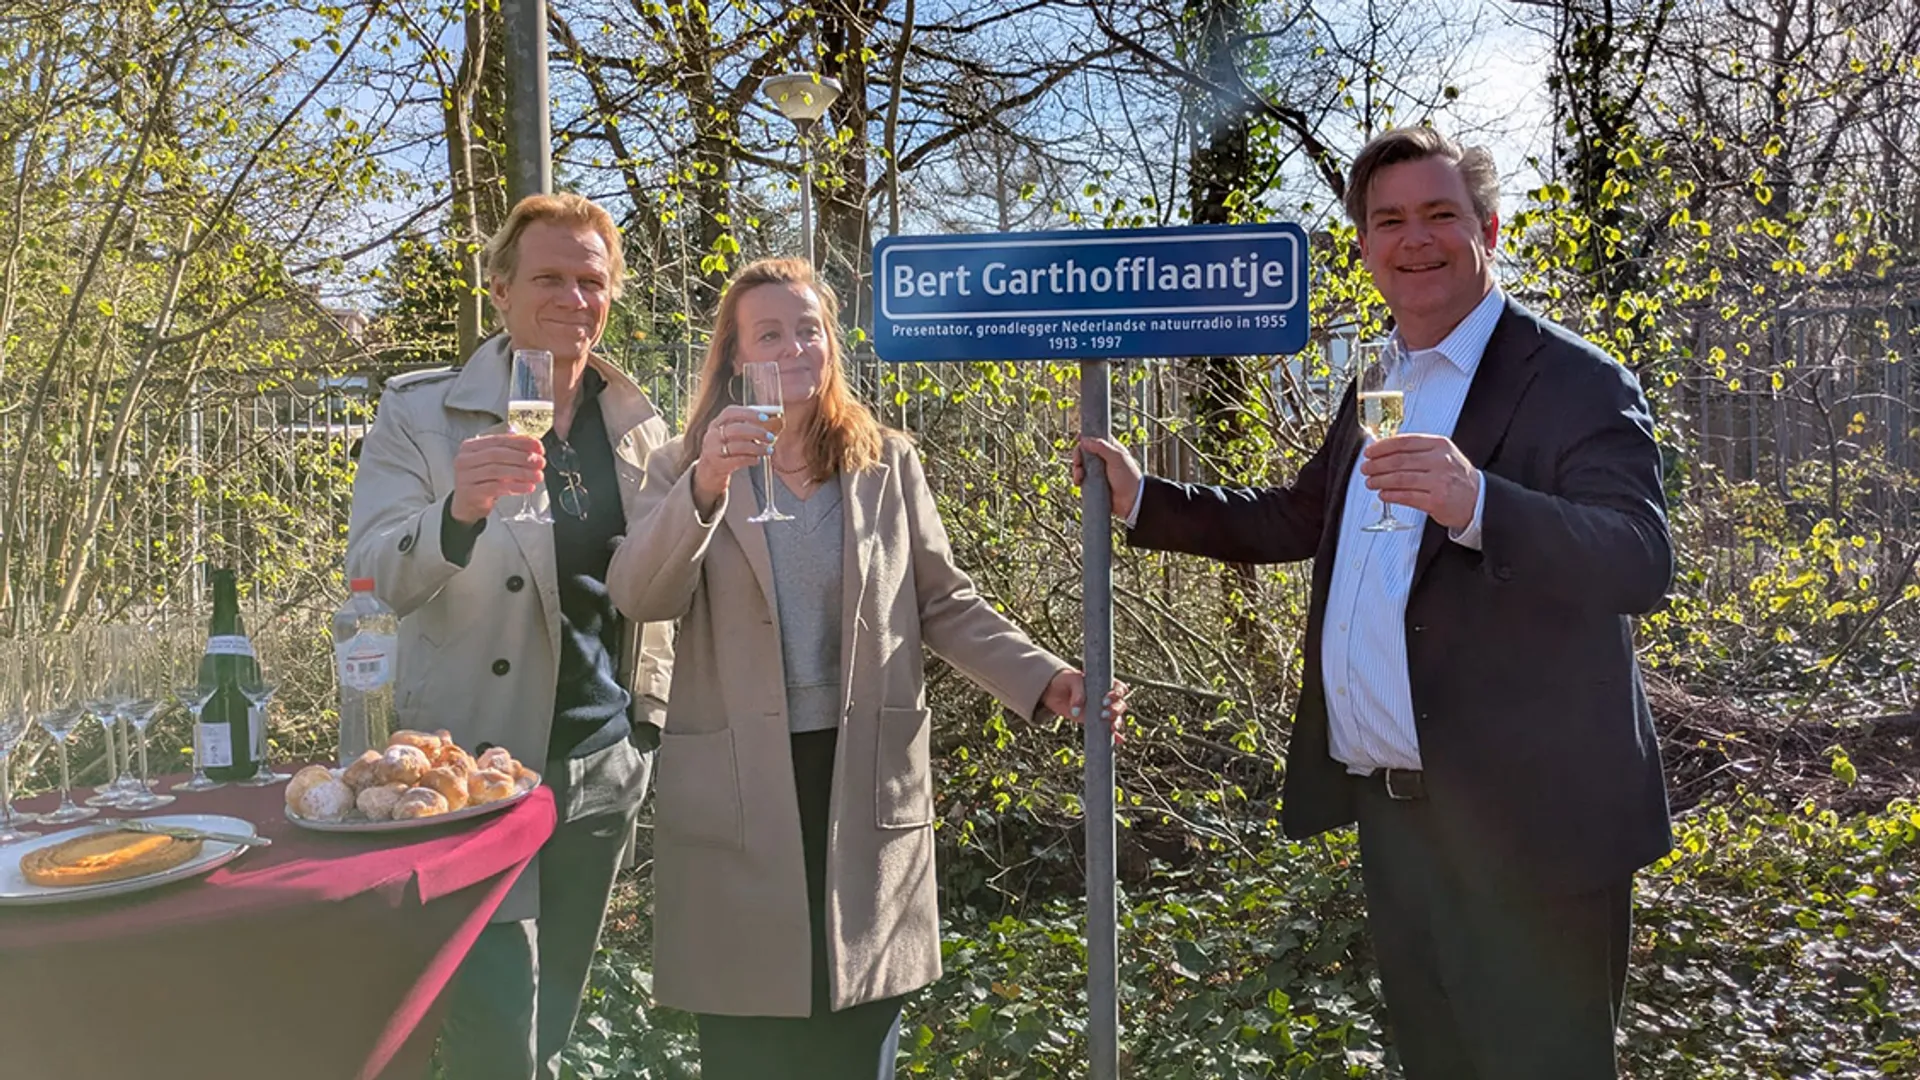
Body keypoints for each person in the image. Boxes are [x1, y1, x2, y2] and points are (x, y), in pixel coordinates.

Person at [1076, 127, 1674, 1080]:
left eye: (1440, 214)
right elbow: (1300, 516)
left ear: (1488, 229)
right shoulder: (1379, 381)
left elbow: (1640, 560)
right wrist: (1146, 498)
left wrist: (1480, 504)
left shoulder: (1575, 380)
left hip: (1534, 833)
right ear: (1363, 246)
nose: (1415, 239)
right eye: (1389, 221)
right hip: (1403, 825)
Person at [608, 257, 1126, 1079]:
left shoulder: (885, 461)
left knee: (855, 1038)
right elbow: (640, 596)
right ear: (736, 356)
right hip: (740, 786)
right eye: (769, 334)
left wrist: (1044, 677)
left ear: (831, 342)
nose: (794, 348)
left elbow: (942, 603)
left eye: (808, 329)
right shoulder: (681, 466)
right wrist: (706, 485)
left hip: (862, 780)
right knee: (748, 1043)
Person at [345, 192, 675, 1080]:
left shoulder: (638, 423)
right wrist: (456, 512)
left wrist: (646, 726)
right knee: (497, 1035)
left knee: (554, 1016)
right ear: (499, 290)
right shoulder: (421, 413)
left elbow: (658, 590)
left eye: (591, 280)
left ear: (612, 294)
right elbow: (370, 573)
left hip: (602, 761)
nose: (573, 298)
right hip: (474, 767)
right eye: (548, 278)